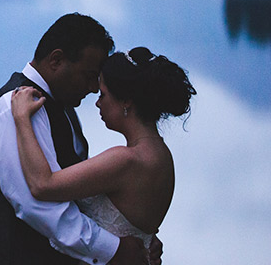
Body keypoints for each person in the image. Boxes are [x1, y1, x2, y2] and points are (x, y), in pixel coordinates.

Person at [0, 13, 159, 265]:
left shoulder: (63, 109)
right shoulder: (16, 108)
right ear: (56, 60)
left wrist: (135, 238)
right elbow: (35, 205)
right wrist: (114, 249)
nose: (94, 88)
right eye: (88, 75)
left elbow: (77, 195)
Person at [11, 47, 195, 261]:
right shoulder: (162, 157)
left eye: (103, 94)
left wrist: (22, 119)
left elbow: (43, 185)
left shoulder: (127, 160)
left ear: (126, 100)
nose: (98, 103)